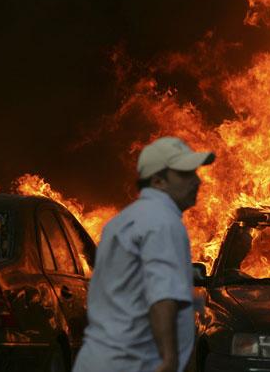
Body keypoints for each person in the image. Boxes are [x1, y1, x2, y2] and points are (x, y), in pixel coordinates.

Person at [72, 136, 215, 372]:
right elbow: (161, 296)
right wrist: (167, 359)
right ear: (158, 181)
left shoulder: (122, 222)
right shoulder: (163, 223)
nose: (196, 181)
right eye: (185, 174)